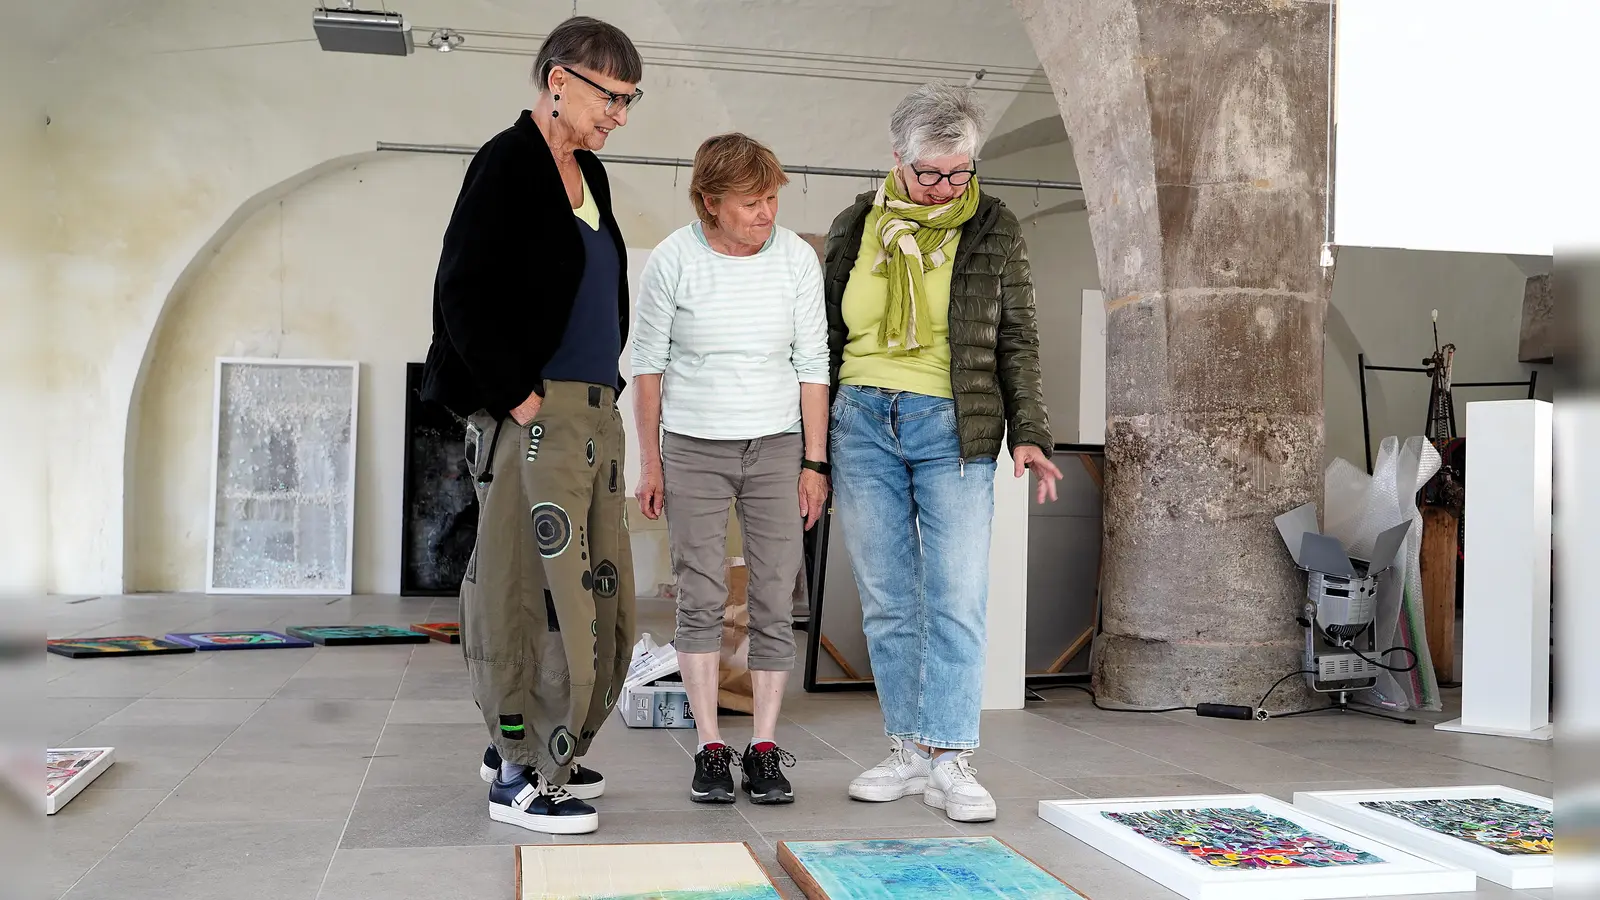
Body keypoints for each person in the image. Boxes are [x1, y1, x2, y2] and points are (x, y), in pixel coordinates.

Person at [418, 15, 644, 836]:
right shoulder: (507, 162)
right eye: (610, 97)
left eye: (629, 100)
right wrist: (517, 396)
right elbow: (462, 291)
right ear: (558, 80)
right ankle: (515, 768)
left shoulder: (591, 175)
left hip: (590, 410)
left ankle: (545, 740)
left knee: (589, 591)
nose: (619, 114)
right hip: (536, 410)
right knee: (518, 589)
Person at [822, 83, 1062, 823]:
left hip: (955, 426)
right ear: (897, 159)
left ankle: (952, 758)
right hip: (860, 419)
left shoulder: (993, 225)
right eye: (932, 173)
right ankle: (907, 750)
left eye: (960, 172)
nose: (947, 187)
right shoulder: (855, 223)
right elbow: (824, 337)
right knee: (889, 600)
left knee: (955, 598)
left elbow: (1018, 337)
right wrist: (809, 444)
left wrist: (1030, 432)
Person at [631, 133, 830, 806]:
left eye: (772, 199)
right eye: (751, 203)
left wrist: (814, 460)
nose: (766, 214)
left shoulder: (797, 258)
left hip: (776, 446)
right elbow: (648, 368)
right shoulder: (674, 260)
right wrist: (650, 462)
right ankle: (711, 746)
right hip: (692, 446)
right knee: (701, 594)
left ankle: (765, 748)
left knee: (777, 595)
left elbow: (813, 366)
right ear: (712, 202)